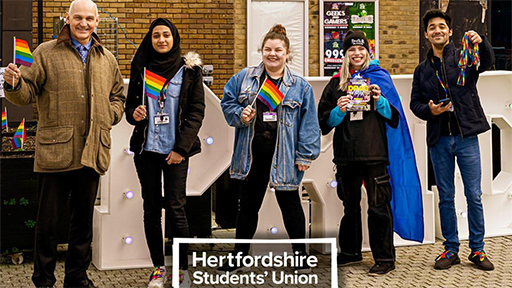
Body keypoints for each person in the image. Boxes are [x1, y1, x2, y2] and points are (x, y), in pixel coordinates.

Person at [2, 0, 125, 287]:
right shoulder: (45, 52)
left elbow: (117, 96)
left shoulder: (107, 58)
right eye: (78, 17)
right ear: (67, 19)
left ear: (97, 21)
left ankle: (77, 277)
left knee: (82, 223)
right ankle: (43, 279)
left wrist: (111, 114)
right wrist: (14, 84)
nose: (84, 23)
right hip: (55, 152)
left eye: (90, 19)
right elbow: (27, 93)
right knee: (48, 223)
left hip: (93, 149)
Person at [219, 24, 320, 273]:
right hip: (252, 155)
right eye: (267, 49)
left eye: (277, 50)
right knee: (248, 207)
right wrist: (239, 115)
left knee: (291, 205)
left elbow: (309, 124)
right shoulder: (244, 78)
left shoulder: (300, 86)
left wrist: (305, 155)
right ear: (261, 51)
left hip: (284, 155)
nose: (272, 54)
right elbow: (227, 102)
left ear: (286, 53)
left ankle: (301, 258)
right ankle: (239, 257)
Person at [410, 9, 494, 271]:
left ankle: (477, 250)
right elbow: (415, 104)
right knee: (446, 196)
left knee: (474, 195)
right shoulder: (422, 70)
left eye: (442, 27)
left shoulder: (463, 56)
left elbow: (487, 62)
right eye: (432, 27)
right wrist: (430, 110)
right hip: (439, 139)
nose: (437, 30)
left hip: (466, 135)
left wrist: (482, 42)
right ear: (426, 35)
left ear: (449, 31)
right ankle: (451, 249)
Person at [125, 18, 205, 288]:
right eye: (156, 35)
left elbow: (196, 112)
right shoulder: (142, 68)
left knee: (176, 208)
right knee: (150, 209)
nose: (161, 40)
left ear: (174, 39)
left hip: (176, 152)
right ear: (150, 39)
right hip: (146, 150)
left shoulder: (190, 71)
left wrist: (181, 149)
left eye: (166, 35)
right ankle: (158, 269)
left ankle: (181, 270)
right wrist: (134, 114)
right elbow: (130, 110)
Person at [318, 30, 403, 276]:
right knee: (350, 206)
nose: (356, 53)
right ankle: (351, 252)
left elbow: (395, 119)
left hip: (375, 154)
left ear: (368, 52)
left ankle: (385, 258)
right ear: (344, 55)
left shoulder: (380, 80)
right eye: (351, 50)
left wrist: (380, 101)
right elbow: (324, 123)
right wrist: (339, 110)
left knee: (378, 207)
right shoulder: (336, 84)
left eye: (361, 50)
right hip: (345, 156)